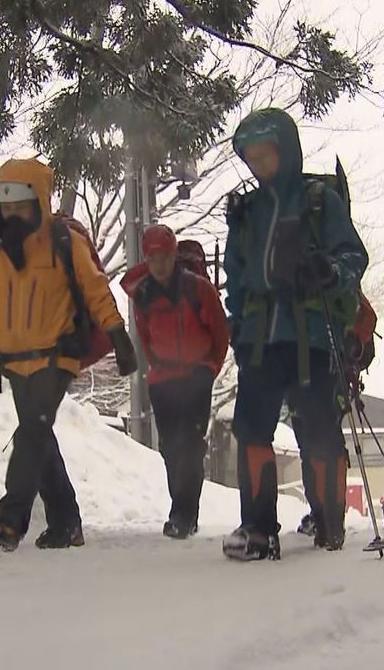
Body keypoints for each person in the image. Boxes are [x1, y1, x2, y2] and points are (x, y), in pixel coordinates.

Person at [0, 158, 138, 552]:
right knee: (38, 436)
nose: (11, 214)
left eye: (20, 205)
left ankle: (11, 521)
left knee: (31, 432)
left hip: (56, 355)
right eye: (5, 206)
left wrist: (119, 336)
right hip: (14, 360)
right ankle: (66, 522)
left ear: (39, 203)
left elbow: (96, 290)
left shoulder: (64, 241)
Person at [222, 107, 368, 559]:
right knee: (252, 431)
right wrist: (238, 327)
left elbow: (353, 256)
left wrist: (330, 270)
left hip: (311, 335)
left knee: (319, 431)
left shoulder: (320, 200)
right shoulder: (247, 212)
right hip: (260, 339)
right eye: (252, 159)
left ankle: (329, 521)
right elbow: (237, 275)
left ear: (286, 152)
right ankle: (258, 528)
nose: (260, 166)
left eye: (267, 156)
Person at [122, 224, 229, 539]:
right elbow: (144, 335)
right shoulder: (143, 295)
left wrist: (209, 368)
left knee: (191, 446)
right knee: (171, 447)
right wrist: (156, 368)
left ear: (174, 256)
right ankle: (179, 507)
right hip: (163, 380)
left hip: (197, 375)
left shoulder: (198, 290)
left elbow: (220, 333)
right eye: (153, 259)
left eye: (165, 258)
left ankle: (185, 514)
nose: (159, 266)